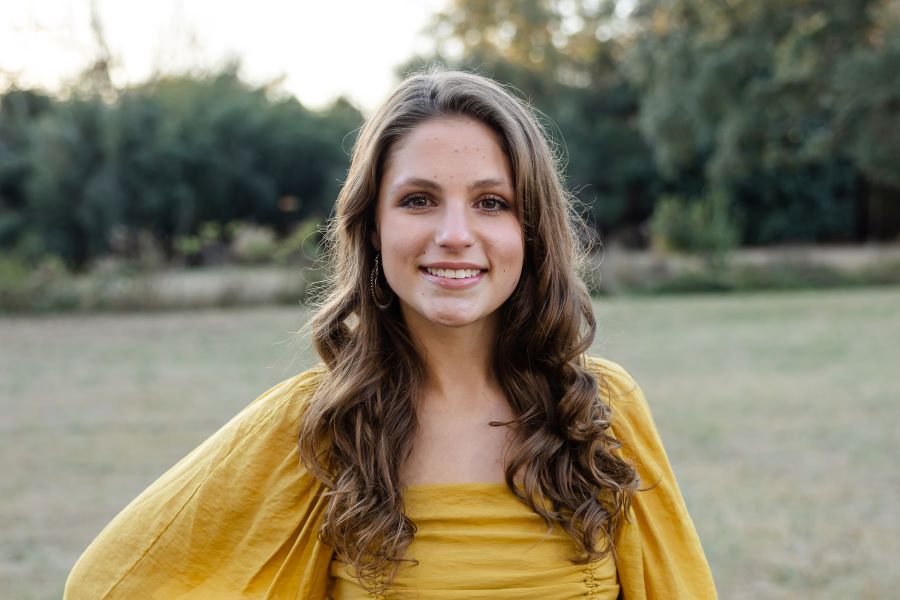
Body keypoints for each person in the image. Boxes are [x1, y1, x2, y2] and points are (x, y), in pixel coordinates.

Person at [65, 69, 717, 599]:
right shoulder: (319, 424)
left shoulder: (599, 409)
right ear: (373, 228)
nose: (455, 234)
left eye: (491, 202)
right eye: (418, 200)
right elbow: (110, 584)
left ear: (531, 230)